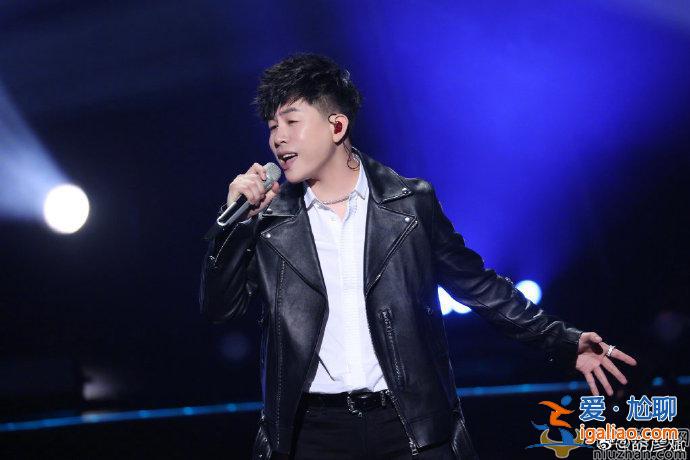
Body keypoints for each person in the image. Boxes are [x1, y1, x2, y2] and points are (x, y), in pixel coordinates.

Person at [199, 53, 637, 459]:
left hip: (408, 426)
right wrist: (233, 224)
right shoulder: (268, 220)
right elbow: (220, 308)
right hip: (309, 434)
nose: (277, 138)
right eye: (271, 126)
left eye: (291, 121)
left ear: (337, 126)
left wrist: (561, 341)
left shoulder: (410, 205)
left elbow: (478, 286)